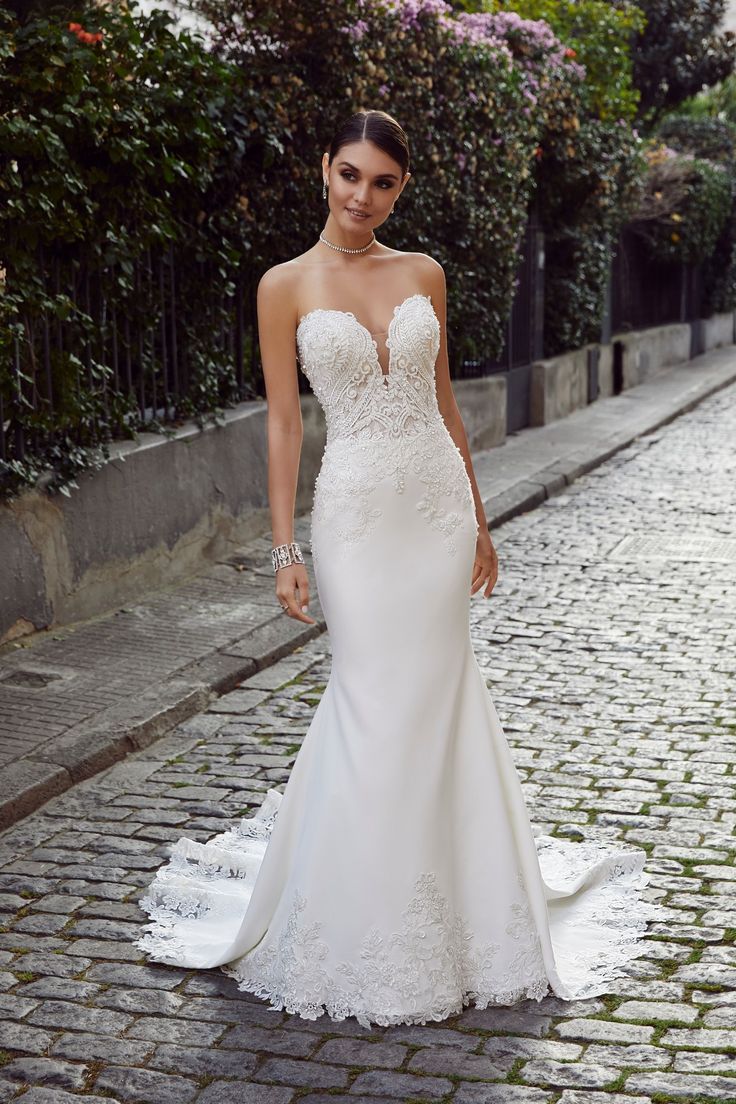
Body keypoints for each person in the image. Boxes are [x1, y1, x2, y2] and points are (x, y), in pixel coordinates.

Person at [134, 108, 659, 1029]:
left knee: (436, 696)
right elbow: (287, 422)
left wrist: (481, 521)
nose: (362, 197)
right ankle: (361, 915)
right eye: (349, 175)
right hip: (355, 518)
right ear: (323, 170)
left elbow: (446, 402)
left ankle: (457, 911)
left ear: (400, 189)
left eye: (382, 183)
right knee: (371, 697)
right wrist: (285, 549)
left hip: (436, 515)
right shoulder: (284, 285)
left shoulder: (424, 275)